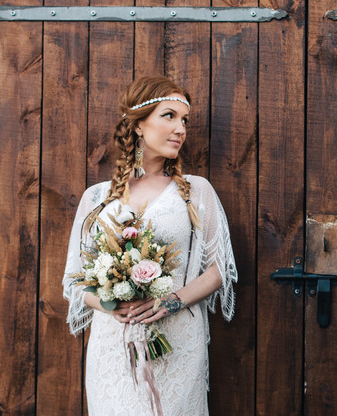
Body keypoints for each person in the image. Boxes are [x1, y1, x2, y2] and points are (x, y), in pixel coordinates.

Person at [63, 76, 237, 415]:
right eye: (169, 116)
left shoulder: (196, 191)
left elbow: (219, 269)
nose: (180, 129)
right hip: (113, 347)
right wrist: (112, 305)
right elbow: (75, 280)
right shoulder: (97, 198)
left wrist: (172, 301)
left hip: (177, 342)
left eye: (185, 120)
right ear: (139, 125)